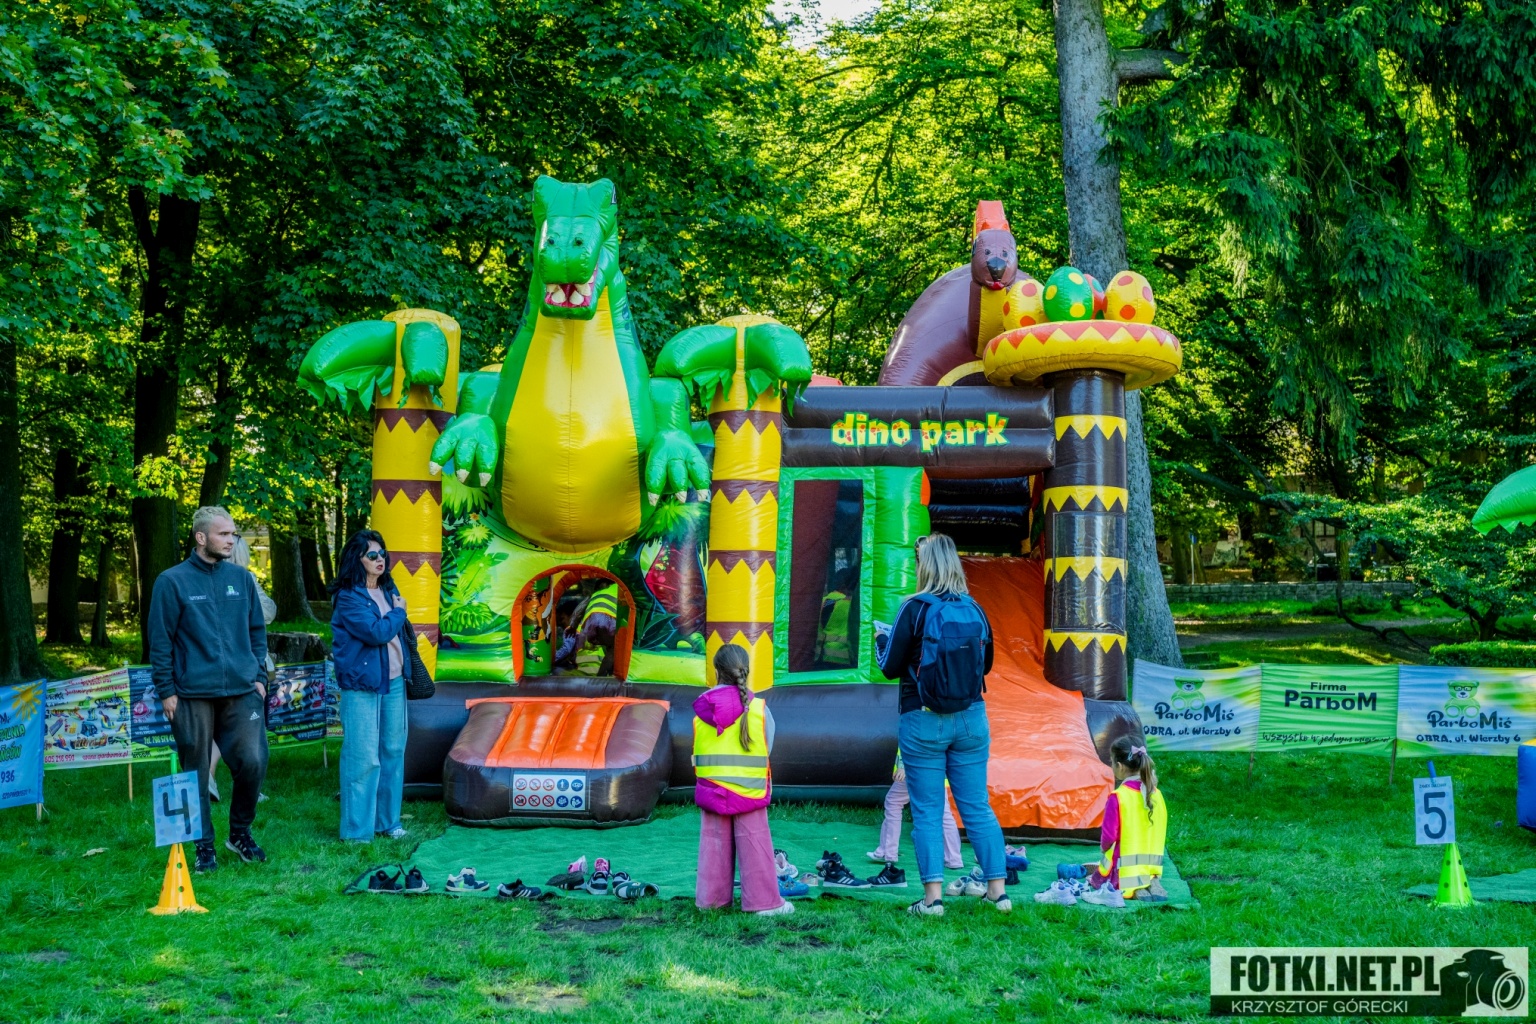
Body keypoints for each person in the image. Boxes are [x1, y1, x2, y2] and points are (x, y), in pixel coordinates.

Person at [877, 532, 1010, 916]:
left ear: (924, 565)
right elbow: (986, 666)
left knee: (927, 810)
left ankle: (932, 899)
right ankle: (998, 892)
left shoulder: (914, 608)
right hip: (971, 718)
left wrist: (881, 641)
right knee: (977, 806)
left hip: (922, 720)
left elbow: (889, 667)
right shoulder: (975, 608)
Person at [148, 506, 270, 873]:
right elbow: (160, 641)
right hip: (191, 693)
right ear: (201, 537)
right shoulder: (171, 581)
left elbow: (257, 632)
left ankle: (240, 834)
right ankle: (204, 847)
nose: (232, 540)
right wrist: (166, 690)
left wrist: (259, 677)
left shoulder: (242, 579)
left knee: (253, 761)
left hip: (242, 690)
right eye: (224, 534)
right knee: (196, 773)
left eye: (233, 534)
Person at [692, 644, 792, 917]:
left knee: (713, 844)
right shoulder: (758, 708)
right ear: (746, 671)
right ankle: (763, 903)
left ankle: (710, 902)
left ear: (716, 671)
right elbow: (767, 745)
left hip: (712, 791)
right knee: (755, 844)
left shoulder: (702, 709)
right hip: (750, 790)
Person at [329, 529, 413, 842]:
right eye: (372, 555)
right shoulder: (348, 597)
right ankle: (357, 833)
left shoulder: (389, 589)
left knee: (392, 751)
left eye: (382, 554)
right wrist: (400, 611)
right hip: (361, 684)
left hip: (394, 681)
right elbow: (377, 632)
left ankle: (388, 823)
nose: (381, 560)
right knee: (363, 757)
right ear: (358, 560)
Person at [208, 535, 275, 805]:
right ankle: (249, 788)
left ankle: (208, 776)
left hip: (218, 665)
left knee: (223, 728)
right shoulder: (245, 580)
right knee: (249, 730)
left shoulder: (208, 580)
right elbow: (268, 612)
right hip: (247, 667)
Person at [868, 750, 964, 870]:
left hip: (916, 768)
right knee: (943, 812)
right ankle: (954, 858)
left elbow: (912, 741)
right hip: (938, 769)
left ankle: (887, 852)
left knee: (893, 802)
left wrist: (904, 766)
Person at [555, 582, 619, 676]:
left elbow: (566, 649)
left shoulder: (595, 598)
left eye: (562, 619)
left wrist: (573, 626)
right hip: (609, 620)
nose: (561, 623)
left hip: (586, 671)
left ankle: (600, 679)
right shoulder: (615, 589)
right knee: (611, 649)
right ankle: (601, 678)